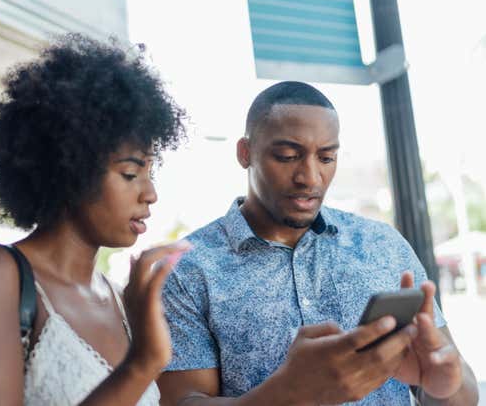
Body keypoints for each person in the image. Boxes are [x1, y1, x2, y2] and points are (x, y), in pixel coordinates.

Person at [158, 81, 479, 405]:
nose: (310, 177)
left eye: (326, 158)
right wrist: (286, 394)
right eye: (287, 156)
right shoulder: (187, 270)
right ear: (245, 153)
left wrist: (445, 388)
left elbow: (460, 393)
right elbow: (182, 401)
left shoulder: (383, 246)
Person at [0, 34, 189, 406]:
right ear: (71, 168)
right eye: (131, 174)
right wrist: (141, 365)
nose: (150, 194)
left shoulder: (120, 300)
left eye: (151, 173)